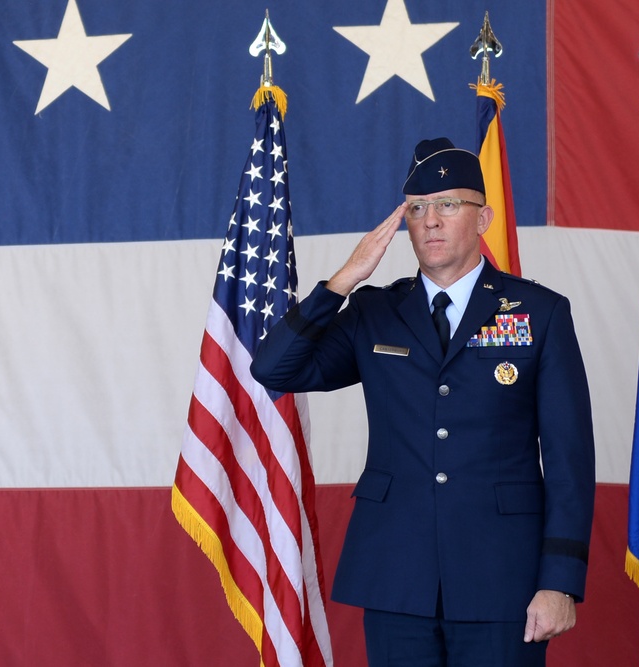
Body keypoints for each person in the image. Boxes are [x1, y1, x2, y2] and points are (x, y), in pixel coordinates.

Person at [250, 138, 595, 666]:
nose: (430, 221)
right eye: (416, 209)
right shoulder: (374, 312)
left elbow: (571, 461)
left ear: (484, 218)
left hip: (503, 578)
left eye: (448, 205)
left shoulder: (538, 313)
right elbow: (274, 368)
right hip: (396, 577)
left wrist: (560, 581)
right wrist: (342, 280)